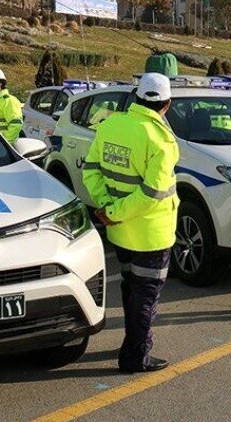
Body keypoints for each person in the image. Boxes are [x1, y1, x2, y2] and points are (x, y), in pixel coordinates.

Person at [82, 73, 179, 373]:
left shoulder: (111, 124)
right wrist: (115, 212)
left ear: (136, 97)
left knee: (130, 289)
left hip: (120, 232)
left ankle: (132, 341)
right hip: (150, 234)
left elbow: (91, 170)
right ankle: (136, 356)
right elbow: (152, 194)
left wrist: (109, 208)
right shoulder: (161, 140)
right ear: (168, 104)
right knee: (145, 295)